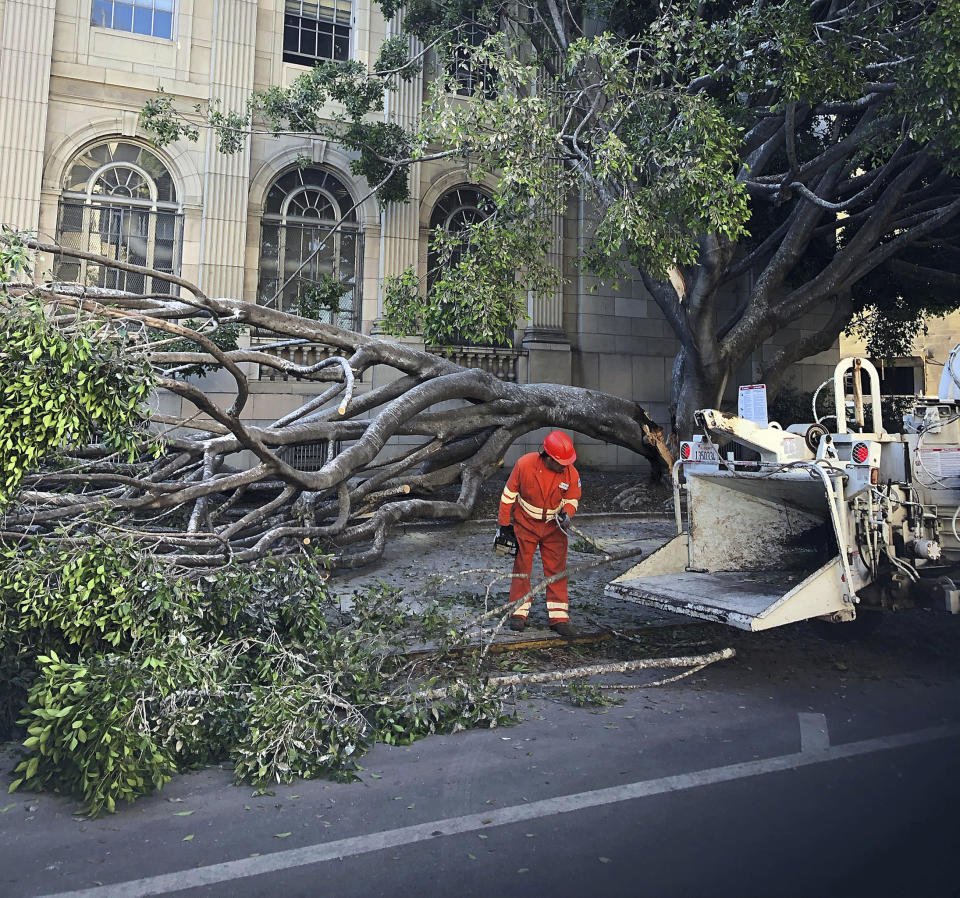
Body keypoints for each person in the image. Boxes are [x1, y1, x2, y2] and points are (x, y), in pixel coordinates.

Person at [496, 430, 581, 637]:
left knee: (557, 570)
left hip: (554, 528)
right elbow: (508, 496)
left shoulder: (571, 473)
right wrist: (505, 526)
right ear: (548, 457)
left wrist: (567, 514)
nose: (565, 466)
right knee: (522, 566)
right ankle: (518, 613)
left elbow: (572, 498)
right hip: (525, 524)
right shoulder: (525, 465)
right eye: (561, 462)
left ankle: (559, 618)